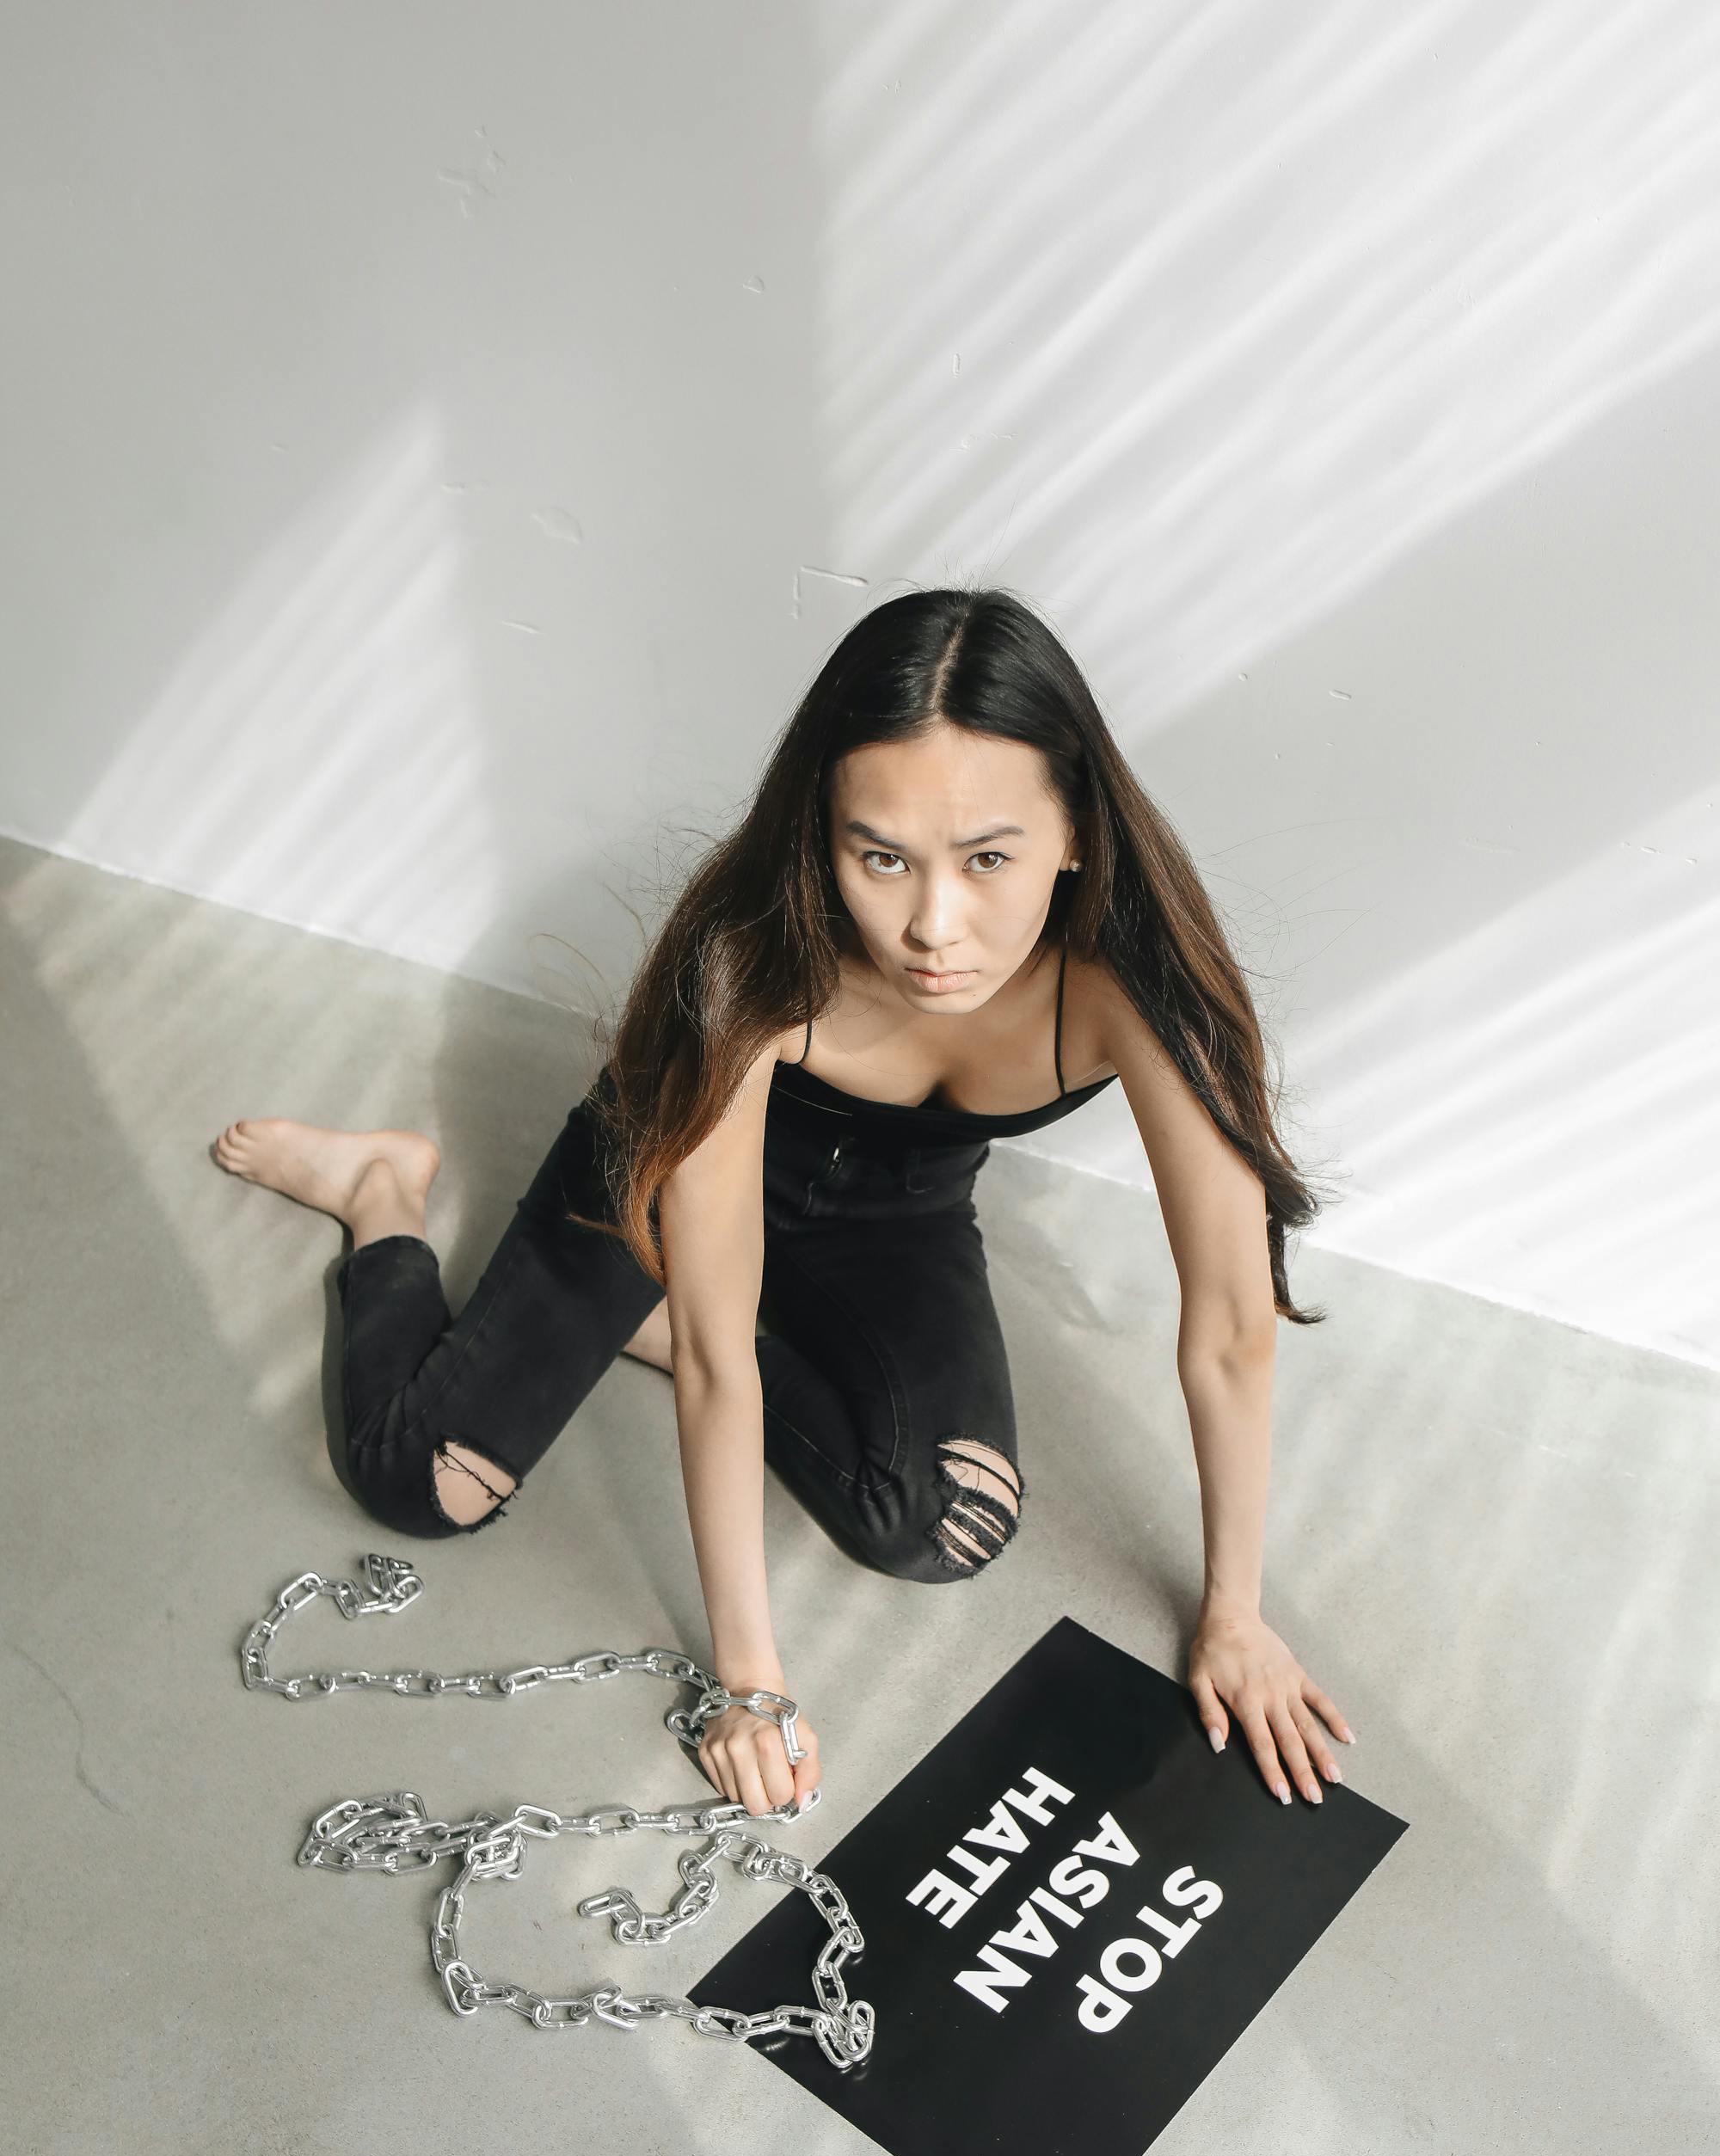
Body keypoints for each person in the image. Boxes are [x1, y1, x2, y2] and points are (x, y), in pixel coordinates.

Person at [212, 587, 1354, 1822]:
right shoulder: (749, 961)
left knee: (946, 1524)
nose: (933, 925)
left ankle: (617, 1325)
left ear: (1073, 832)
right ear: (824, 835)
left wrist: (1234, 1613)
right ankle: (380, 1192)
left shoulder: (1146, 983)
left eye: (988, 859)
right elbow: (716, 1352)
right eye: (882, 857)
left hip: (896, 1216)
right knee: (417, 1485)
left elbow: (1233, 1323)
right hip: (662, 1174)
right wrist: (749, 1683)